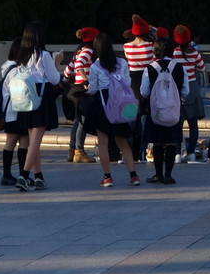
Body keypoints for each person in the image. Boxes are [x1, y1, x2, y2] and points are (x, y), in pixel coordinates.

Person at [12, 22, 63, 191]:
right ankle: (24, 175)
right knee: (35, 142)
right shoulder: (43, 55)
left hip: (25, 98)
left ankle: (39, 176)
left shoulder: (21, 55)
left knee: (33, 140)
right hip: (41, 97)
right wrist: (57, 61)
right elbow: (55, 79)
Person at [85, 32, 141, 188]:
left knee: (103, 143)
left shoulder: (95, 66)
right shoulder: (122, 62)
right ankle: (133, 175)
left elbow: (93, 88)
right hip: (120, 104)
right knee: (122, 141)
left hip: (103, 104)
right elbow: (127, 82)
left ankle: (107, 177)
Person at [141, 35, 188, 184]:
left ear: (155, 50)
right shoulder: (179, 67)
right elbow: (185, 91)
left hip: (156, 112)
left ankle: (158, 174)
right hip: (174, 111)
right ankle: (168, 175)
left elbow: (144, 92)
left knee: (158, 142)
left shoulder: (150, 68)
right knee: (172, 142)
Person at [123, 15, 156, 160]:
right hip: (146, 79)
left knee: (131, 118)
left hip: (132, 82)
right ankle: (143, 150)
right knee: (144, 118)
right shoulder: (149, 46)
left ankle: (127, 150)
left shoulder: (127, 47)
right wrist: (152, 29)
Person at [0, 36, 30, 186]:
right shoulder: (16, 70)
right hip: (19, 109)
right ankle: (21, 174)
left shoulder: (8, 68)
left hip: (11, 111)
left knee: (12, 142)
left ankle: (9, 174)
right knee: (23, 141)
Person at [172, 25, 207, 163]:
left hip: (177, 88)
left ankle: (177, 153)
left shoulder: (174, 53)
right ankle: (191, 152)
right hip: (192, 87)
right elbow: (202, 68)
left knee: (177, 123)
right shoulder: (195, 53)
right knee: (193, 123)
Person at [63, 27, 98, 164]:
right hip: (83, 91)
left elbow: (67, 71)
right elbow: (79, 65)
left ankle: (72, 150)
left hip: (74, 90)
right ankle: (79, 152)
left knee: (78, 121)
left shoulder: (78, 52)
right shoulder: (89, 51)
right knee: (83, 122)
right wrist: (85, 80)